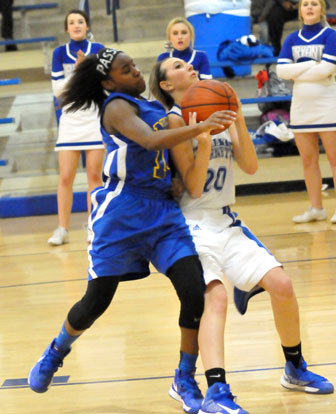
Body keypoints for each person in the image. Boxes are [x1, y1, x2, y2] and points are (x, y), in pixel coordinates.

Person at [27, 48, 234, 413]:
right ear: (109, 82)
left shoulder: (156, 107)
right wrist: (203, 125)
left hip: (161, 212)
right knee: (96, 302)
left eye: (135, 66)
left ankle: (184, 377)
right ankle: (56, 350)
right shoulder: (116, 107)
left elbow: (165, 152)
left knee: (192, 290)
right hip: (121, 212)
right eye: (127, 70)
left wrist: (172, 176)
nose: (136, 73)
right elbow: (150, 141)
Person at [150, 57, 334, 414]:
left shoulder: (218, 104)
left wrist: (235, 117)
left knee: (282, 285)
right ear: (167, 84)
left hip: (226, 219)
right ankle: (216, 391)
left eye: (188, 63)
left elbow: (250, 166)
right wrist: (203, 141)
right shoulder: (175, 119)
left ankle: (294, 367)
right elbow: (193, 186)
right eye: (176, 65)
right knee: (214, 298)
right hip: (190, 224)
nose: (188, 66)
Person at [48, 9, 105, 245]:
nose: (76, 25)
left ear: (87, 26)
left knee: (95, 176)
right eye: (71, 22)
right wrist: (81, 72)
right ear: (66, 29)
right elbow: (58, 91)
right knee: (66, 178)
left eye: (80, 21)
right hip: (70, 121)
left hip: (93, 118)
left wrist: (83, 72)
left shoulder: (99, 49)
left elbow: (103, 84)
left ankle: (95, 228)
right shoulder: (59, 53)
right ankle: (62, 228)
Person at [276, 0, 336, 223]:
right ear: (300, 10)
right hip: (301, 105)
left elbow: (327, 69)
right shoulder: (292, 38)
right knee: (308, 161)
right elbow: (281, 70)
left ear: (321, 8)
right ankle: (316, 208)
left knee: (334, 159)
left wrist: (297, 70)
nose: (309, 7)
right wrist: (312, 65)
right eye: (305, 4)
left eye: (314, 3)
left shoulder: (331, 36)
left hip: (328, 103)